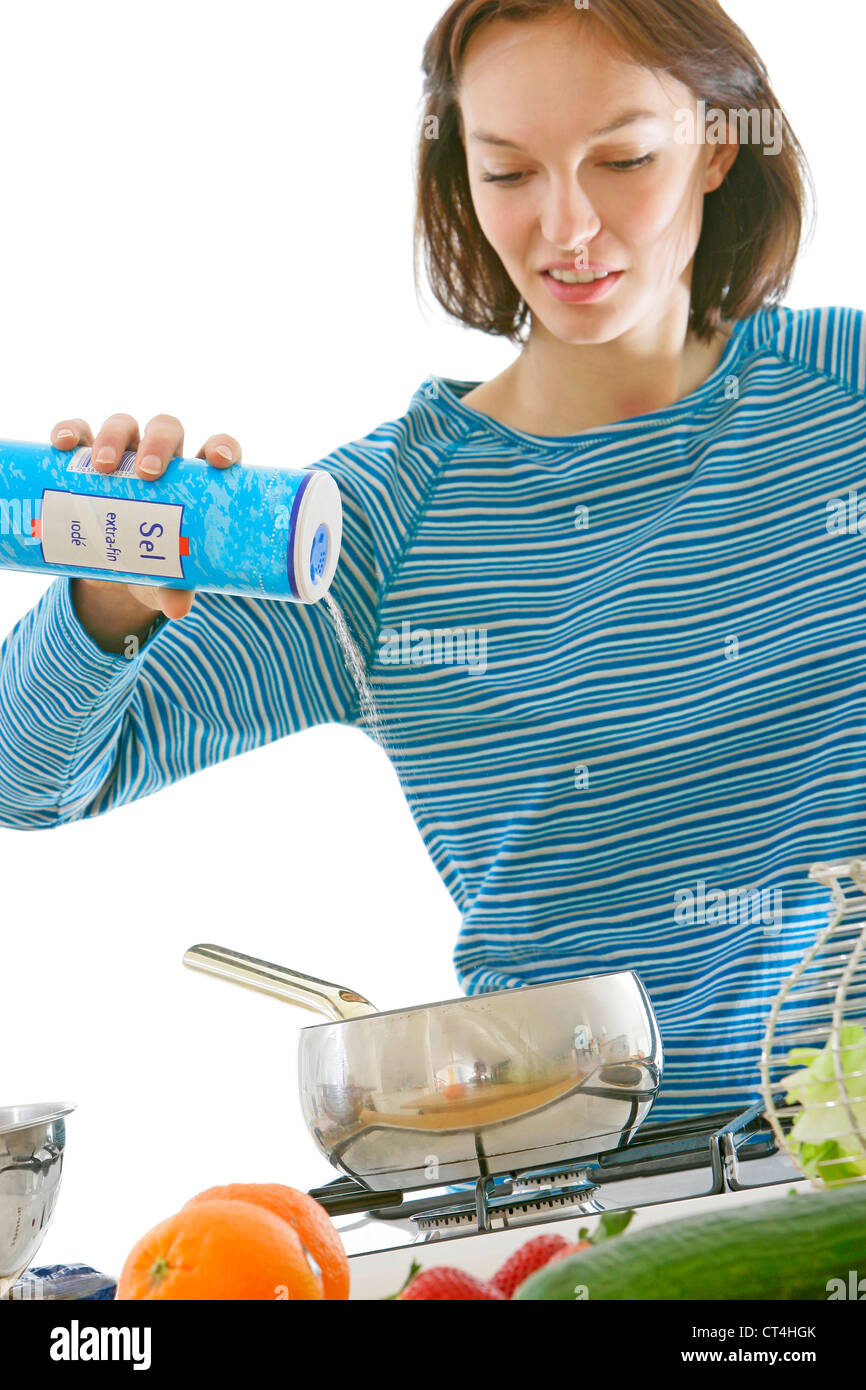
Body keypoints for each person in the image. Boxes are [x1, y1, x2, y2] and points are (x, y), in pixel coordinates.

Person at [1, 0, 863, 1125]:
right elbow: (29, 781)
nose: (567, 226)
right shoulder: (376, 527)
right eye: (508, 173)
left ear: (713, 145)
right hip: (580, 1205)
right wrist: (113, 595)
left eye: (622, 159)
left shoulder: (841, 398)